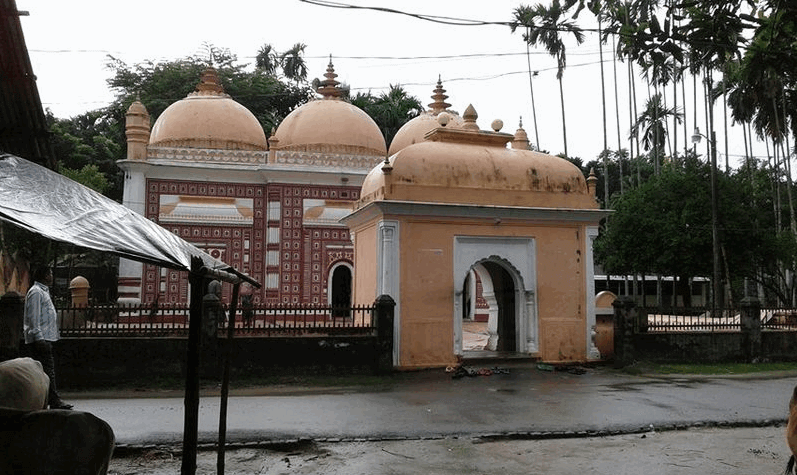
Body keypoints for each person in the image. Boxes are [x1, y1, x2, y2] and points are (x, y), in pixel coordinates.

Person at [23, 266, 72, 410]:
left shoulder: (43, 292)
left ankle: (46, 399)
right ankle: (54, 400)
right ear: (44, 276)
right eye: (50, 273)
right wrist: (39, 338)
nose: (52, 276)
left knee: (45, 371)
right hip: (41, 339)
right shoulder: (36, 292)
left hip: (47, 338)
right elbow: (34, 317)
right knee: (47, 371)